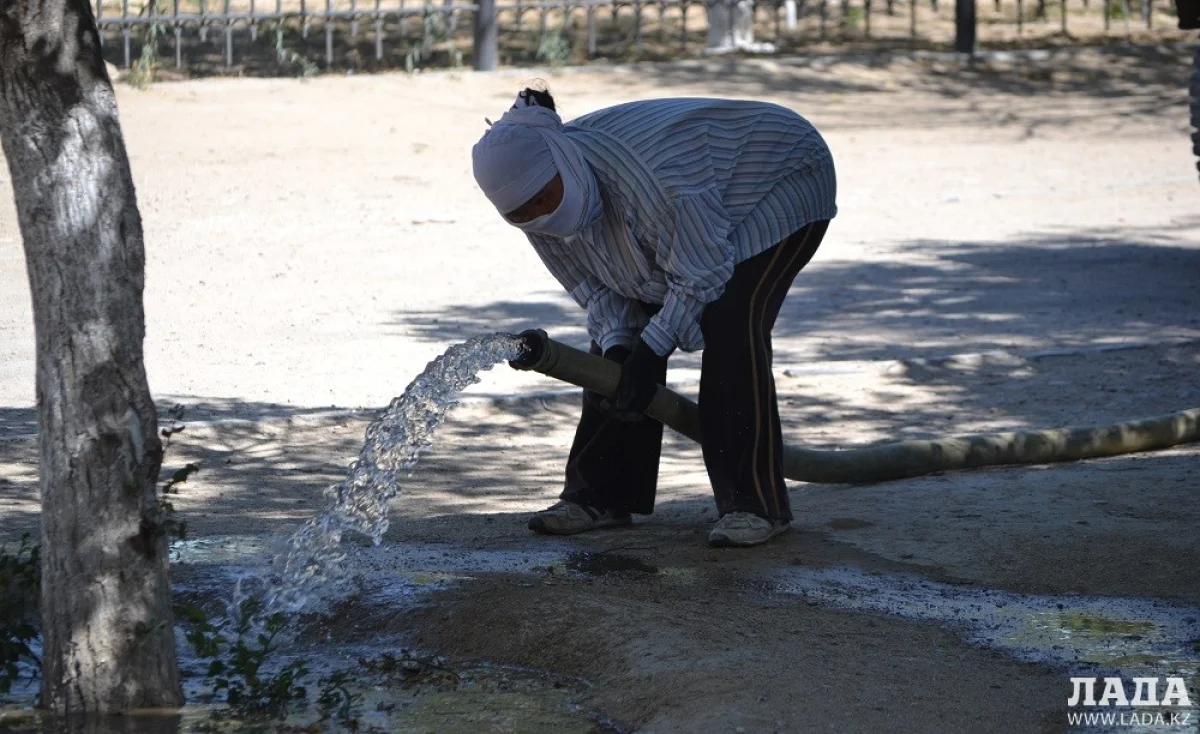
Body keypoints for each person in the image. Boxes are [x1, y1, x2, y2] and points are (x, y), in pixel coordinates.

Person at [471, 87, 837, 547]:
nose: (540, 216)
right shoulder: (532, 204)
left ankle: (754, 503)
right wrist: (622, 349)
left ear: (563, 165)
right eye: (520, 214)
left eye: (543, 199)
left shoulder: (659, 183)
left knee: (730, 321)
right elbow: (599, 288)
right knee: (617, 358)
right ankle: (600, 495)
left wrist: (649, 353)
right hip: (698, 205)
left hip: (784, 175)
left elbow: (701, 276)